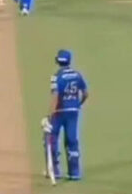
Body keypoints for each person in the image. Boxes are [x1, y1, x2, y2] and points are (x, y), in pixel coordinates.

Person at [42, 49, 89, 180]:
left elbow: (55, 97)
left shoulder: (56, 77)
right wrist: (78, 104)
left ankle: (54, 170)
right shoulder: (77, 75)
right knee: (72, 140)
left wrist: (49, 116)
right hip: (73, 112)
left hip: (58, 112)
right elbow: (85, 93)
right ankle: (74, 172)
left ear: (57, 61)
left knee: (51, 138)